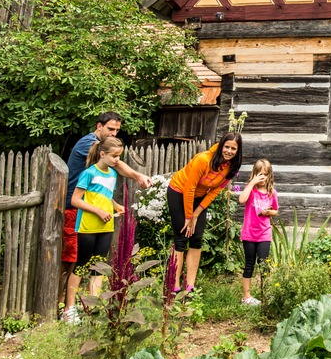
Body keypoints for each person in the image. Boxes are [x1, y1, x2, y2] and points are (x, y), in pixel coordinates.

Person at [61, 112, 150, 305]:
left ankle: (88, 305)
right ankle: (65, 305)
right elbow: (116, 165)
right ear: (99, 126)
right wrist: (137, 176)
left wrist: (113, 204)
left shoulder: (108, 170)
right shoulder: (89, 145)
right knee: (74, 261)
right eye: (110, 129)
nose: (114, 134)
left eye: (117, 130)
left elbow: (102, 189)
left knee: (95, 265)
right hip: (78, 210)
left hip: (99, 216)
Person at [166, 132, 243, 294]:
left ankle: (190, 286)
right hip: (179, 191)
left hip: (199, 198)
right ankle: (174, 286)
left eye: (233, 149)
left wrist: (196, 214)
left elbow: (214, 191)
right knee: (181, 237)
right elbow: (189, 188)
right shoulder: (203, 159)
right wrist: (188, 216)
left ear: (238, 150)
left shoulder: (232, 166)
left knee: (196, 238)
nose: (229, 151)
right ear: (221, 146)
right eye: (227, 147)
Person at [62, 136, 127, 322]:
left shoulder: (112, 174)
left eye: (119, 156)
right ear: (103, 154)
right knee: (81, 266)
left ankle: (93, 308)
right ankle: (69, 309)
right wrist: (98, 211)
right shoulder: (89, 173)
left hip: (106, 226)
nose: (117, 160)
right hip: (88, 226)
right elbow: (75, 200)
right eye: (114, 156)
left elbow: (103, 195)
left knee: (99, 266)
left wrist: (115, 206)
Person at [238, 159, 278, 306]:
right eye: (259, 174)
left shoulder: (272, 193)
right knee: (249, 264)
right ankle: (246, 297)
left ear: (269, 176)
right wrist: (252, 183)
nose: (262, 178)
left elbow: (276, 210)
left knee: (264, 264)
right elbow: (242, 200)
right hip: (249, 233)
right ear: (254, 174)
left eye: (265, 175)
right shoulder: (251, 191)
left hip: (264, 233)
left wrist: (269, 212)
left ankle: (264, 294)